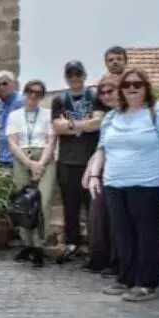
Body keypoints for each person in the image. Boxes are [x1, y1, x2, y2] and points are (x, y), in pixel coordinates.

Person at [87, 68, 159, 301]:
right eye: (127, 84)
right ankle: (126, 278)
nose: (131, 88)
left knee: (146, 233)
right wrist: (94, 175)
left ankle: (146, 283)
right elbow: (102, 149)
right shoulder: (112, 116)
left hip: (147, 184)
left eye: (137, 84)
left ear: (146, 87)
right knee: (122, 234)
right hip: (114, 183)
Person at [51, 60, 105, 263]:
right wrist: (85, 124)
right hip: (67, 161)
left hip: (92, 161)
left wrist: (71, 124)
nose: (74, 78)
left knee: (94, 207)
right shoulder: (59, 100)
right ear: (66, 77)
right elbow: (57, 127)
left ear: (84, 75)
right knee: (70, 207)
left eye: (78, 74)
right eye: (70, 75)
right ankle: (72, 244)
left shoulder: (95, 96)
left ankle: (95, 246)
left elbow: (98, 123)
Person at [7, 79, 56, 267]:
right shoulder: (15, 115)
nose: (33, 95)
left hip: (44, 157)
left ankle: (39, 246)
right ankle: (27, 244)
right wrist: (29, 163)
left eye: (38, 93)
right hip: (22, 157)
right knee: (23, 203)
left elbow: (51, 142)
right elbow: (12, 143)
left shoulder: (48, 115)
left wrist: (40, 164)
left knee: (44, 201)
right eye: (30, 91)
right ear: (25, 92)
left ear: (42, 96)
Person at [82, 75, 120, 276]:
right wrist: (91, 171)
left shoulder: (133, 114)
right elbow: (101, 147)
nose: (106, 96)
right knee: (97, 215)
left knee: (117, 218)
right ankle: (99, 259)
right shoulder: (109, 118)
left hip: (126, 173)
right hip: (105, 170)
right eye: (102, 93)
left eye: (110, 91)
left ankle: (117, 262)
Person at [0, 70, 24, 169]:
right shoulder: (0, 104)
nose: (1, 87)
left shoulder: (21, 102)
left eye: (4, 83)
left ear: (13, 84)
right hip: (4, 156)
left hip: (17, 158)